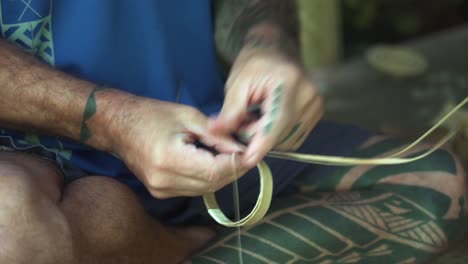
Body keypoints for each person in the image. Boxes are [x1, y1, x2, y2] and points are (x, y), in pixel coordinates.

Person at [0, 1, 465, 263]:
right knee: (13, 226)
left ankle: (143, 245)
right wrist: (111, 120)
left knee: (434, 187)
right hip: (26, 172)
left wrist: (265, 43)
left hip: (208, 133)